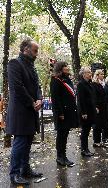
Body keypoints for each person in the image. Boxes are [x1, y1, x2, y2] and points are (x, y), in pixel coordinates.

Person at [6, 39, 43, 185]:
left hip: (31, 110)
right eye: (35, 51)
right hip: (21, 111)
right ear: (26, 49)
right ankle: (14, 174)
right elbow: (17, 88)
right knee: (20, 142)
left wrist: (40, 99)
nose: (36, 54)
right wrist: (32, 102)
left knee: (28, 141)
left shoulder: (32, 66)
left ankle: (25, 170)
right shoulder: (14, 63)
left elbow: (37, 86)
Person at [50, 62, 78, 167]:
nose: (67, 68)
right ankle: (60, 157)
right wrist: (60, 113)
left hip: (68, 112)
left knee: (65, 135)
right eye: (65, 66)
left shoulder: (67, 79)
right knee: (61, 135)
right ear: (60, 69)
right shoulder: (56, 80)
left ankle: (64, 156)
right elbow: (55, 98)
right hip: (62, 113)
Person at [77, 67, 96, 156]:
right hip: (85, 112)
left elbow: (91, 98)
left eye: (90, 72)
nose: (90, 74)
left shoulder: (89, 83)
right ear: (83, 74)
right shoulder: (81, 84)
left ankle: (86, 149)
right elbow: (81, 100)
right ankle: (84, 150)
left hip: (90, 111)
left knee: (87, 130)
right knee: (85, 131)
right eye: (88, 72)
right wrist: (83, 112)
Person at [92, 70, 108, 147]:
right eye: (101, 74)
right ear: (97, 75)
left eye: (103, 74)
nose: (103, 76)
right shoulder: (94, 84)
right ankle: (96, 141)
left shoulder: (101, 84)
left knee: (101, 124)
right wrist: (95, 106)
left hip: (103, 107)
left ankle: (99, 140)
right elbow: (94, 96)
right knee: (97, 125)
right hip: (98, 107)